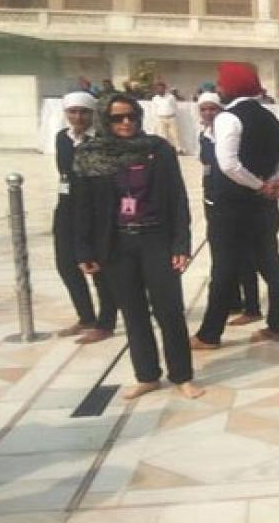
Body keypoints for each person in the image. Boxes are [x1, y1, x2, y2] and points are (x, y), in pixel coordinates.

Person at [72, 94, 202, 400]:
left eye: (131, 116)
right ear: (105, 120)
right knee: (133, 312)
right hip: (116, 243)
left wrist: (181, 243)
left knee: (169, 310)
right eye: (117, 118)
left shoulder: (158, 150)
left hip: (156, 239)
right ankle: (147, 374)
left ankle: (182, 375)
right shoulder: (90, 154)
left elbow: (177, 198)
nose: (126, 123)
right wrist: (84, 251)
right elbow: (81, 208)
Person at [191, 62, 279, 349]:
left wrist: (259, 185)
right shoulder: (273, 120)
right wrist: (271, 183)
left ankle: (209, 334)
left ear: (226, 87)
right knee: (271, 263)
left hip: (232, 207)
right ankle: (277, 325)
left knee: (224, 267)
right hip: (263, 206)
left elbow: (229, 165)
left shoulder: (227, 118)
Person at [54, 91, 118, 343]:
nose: (78, 117)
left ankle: (106, 321)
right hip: (67, 205)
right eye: (73, 112)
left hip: (95, 209)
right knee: (66, 263)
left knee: (99, 266)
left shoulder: (102, 140)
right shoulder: (63, 138)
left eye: (84, 112)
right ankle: (86, 315)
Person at [197, 92, 261, 325]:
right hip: (212, 200)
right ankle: (233, 300)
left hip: (232, 203)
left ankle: (252, 305)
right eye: (203, 109)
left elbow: (231, 166)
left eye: (212, 109)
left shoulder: (231, 134)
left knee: (243, 256)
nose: (208, 113)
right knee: (221, 255)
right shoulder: (204, 136)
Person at [150, 82, 184, 155]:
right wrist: (157, 119)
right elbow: (154, 109)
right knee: (163, 135)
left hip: (171, 117)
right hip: (161, 118)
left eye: (161, 88)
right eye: (158, 89)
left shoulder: (171, 97)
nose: (160, 90)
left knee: (175, 134)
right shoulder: (155, 98)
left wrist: (173, 114)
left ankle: (179, 149)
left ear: (165, 89)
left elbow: (175, 106)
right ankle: (165, 150)